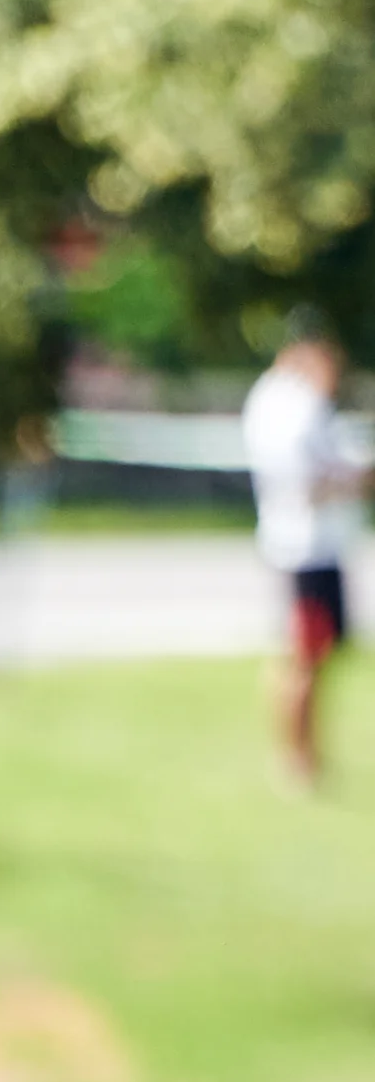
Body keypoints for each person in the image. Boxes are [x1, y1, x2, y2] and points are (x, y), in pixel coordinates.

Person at [242, 315, 369, 782]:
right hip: (305, 549)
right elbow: (305, 481)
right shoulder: (289, 403)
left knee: (311, 657)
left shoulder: (289, 399)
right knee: (302, 657)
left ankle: (306, 756)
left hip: (314, 547)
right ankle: (296, 760)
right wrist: (358, 479)